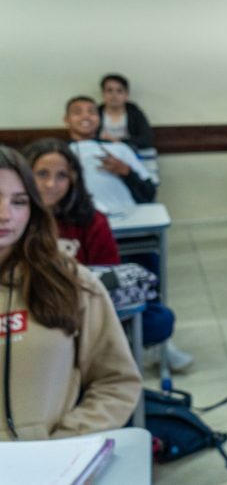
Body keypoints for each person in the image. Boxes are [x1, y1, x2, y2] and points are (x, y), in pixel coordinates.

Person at [0, 145, 142, 440]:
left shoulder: (72, 282)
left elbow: (115, 381)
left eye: (19, 201)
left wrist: (65, 443)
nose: (5, 215)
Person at [22, 139, 191, 371]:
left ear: (73, 178)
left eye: (61, 176)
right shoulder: (14, 219)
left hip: (80, 306)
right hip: (25, 306)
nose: (52, 184)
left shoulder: (92, 219)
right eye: (42, 174)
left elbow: (106, 279)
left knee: (159, 319)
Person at [65, 96, 156, 215]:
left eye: (92, 112)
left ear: (99, 118)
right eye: (78, 112)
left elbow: (149, 193)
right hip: (81, 221)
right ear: (66, 119)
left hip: (127, 218)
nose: (85, 116)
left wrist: (125, 171)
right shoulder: (60, 152)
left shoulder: (120, 148)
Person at [97, 73, 154, 152]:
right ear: (103, 93)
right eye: (109, 91)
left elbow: (146, 139)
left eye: (119, 91)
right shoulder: (95, 114)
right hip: (101, 154)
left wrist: (120, 141)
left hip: (131, 153)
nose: (114, 95)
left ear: (126, 94)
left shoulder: (134, 113)